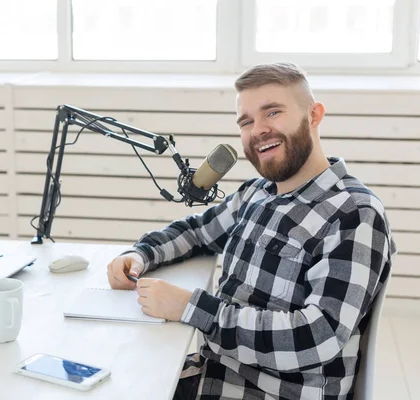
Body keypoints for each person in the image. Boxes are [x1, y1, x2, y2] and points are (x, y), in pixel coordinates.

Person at [106, 62, 396, 400]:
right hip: (213, 373)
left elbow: (319, 336)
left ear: (314, 115)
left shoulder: (354, 213)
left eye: (272, 112)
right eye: (247, 121)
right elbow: (199, 232)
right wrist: (139, 254)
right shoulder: (257, 193)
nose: (258, 130)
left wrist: (191, 308)